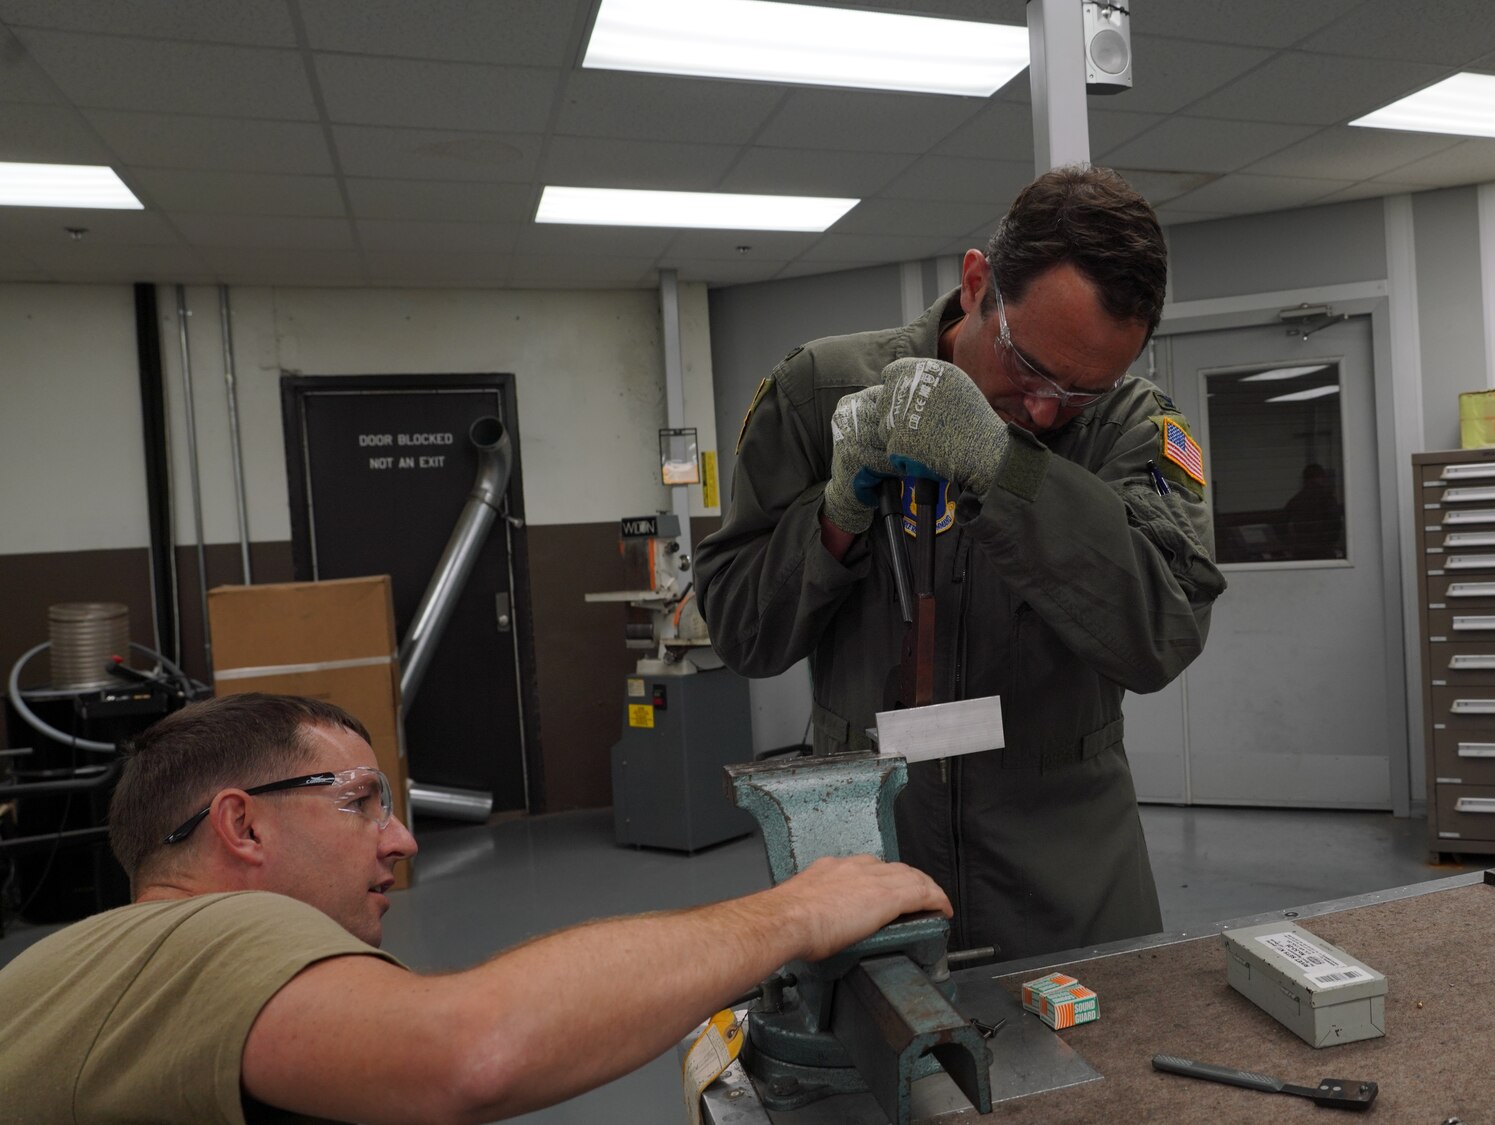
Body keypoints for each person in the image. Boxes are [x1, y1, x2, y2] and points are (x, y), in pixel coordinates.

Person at [694, 165, 1226, 962]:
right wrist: (834, 519)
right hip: (867, 856)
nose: (1048, 409)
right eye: (1030, 368)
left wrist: (1004, 464)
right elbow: (741, 630)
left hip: (1069, 876)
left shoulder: (1133, 427)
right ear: (978, 283)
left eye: (1083, 390)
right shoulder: (818, 395)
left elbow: (1164, 630)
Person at [0, 693, 948, 1125]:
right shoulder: (208, 928)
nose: (402, 838)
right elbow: (473, 1052)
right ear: (241, 826)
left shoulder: (74, 977)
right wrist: (793, 911)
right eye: (361, 799)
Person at [1280, 462, 1343, 560]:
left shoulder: (1296, 499)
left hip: (1301, 551)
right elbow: (1335, 523)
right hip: (1322, 550)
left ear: (1305, 479)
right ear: (1321, 477)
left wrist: (1291, 544)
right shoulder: (1326, 498)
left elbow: (1282, 523)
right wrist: (1329, 543)